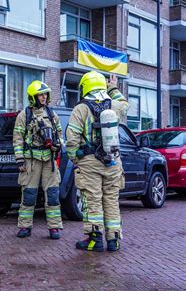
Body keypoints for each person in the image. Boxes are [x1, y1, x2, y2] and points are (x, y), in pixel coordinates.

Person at [66, 71, 128, 252]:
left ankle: (94, 240)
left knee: (92, 199)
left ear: (85, 87)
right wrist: (114, 87)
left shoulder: (81, 108)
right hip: (113, 160)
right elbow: (125, 105)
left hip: (90, 161)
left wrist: (75, 159)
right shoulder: (114, 106)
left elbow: (72, 138)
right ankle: (114, 239)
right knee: (111, 200)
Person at [13, 81, 64, 240]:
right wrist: (20, 160)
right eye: (40, 95)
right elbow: (18, 138)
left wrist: (58, 145)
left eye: (45, 94)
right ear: (33, 97)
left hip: (49, 160)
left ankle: (54, 227)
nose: (43, 97)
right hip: (31, 161)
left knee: (53, 194)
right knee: (28, 194)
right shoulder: (24, 115)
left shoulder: (52, 114)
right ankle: (24, 226)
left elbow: (60, 136)